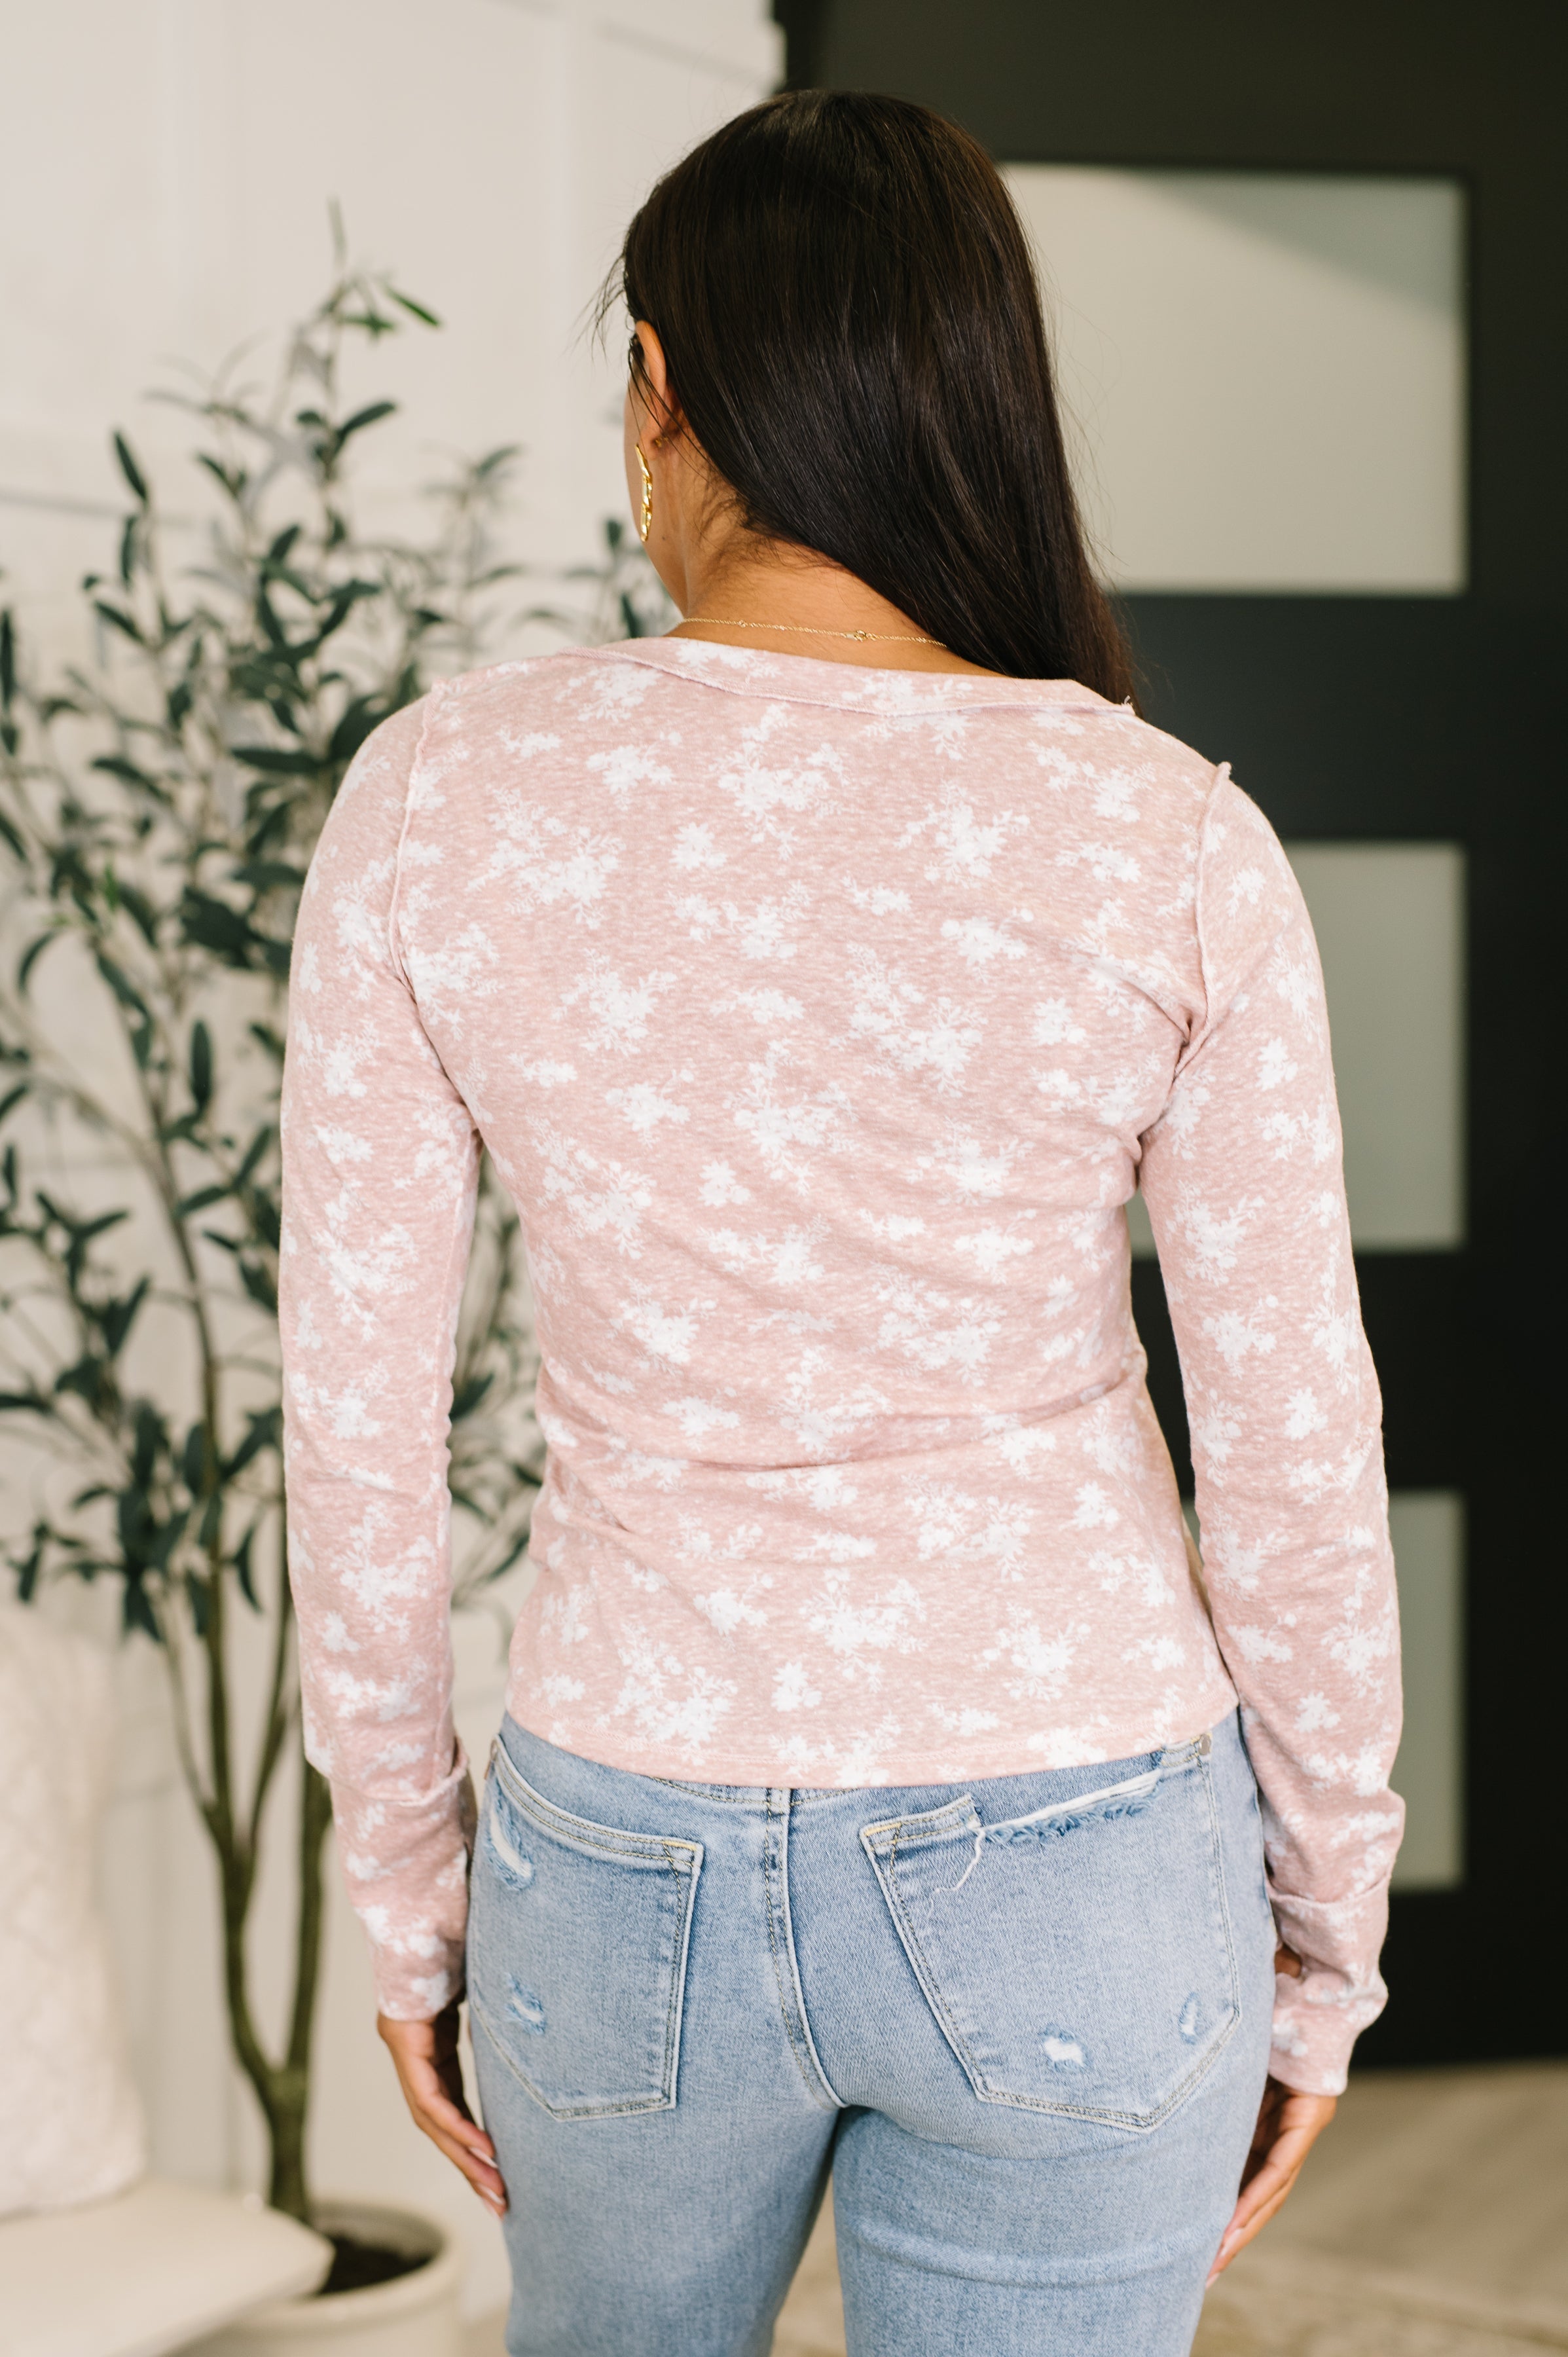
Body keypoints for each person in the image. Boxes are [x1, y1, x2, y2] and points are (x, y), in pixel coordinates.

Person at [280, 90, 1402, 2357]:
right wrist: (1325, 1932)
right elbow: (1292, 1449)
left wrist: (407, 1894)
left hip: (628, 1847)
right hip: (1085, 1848)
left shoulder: (438, 798)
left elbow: (355, 1429)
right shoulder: (1166, 836)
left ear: (658, 389)